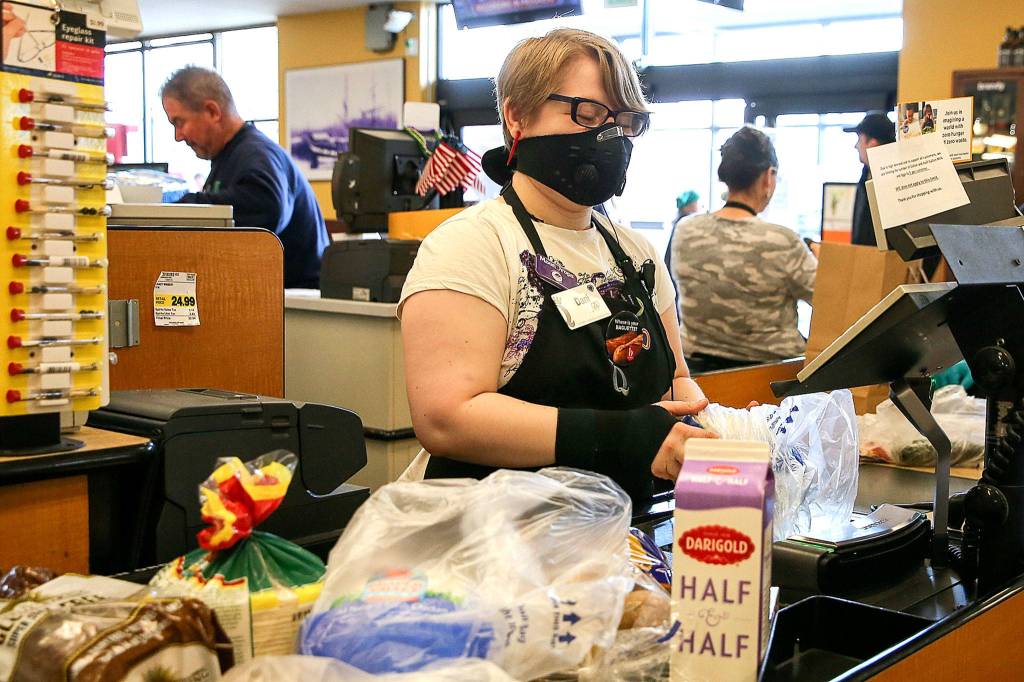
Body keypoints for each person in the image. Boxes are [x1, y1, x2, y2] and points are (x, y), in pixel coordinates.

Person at [399, 29, 713, 501]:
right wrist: (625, 437)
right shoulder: (471, 245)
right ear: (516, 115)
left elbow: (675, 382)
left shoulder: (637, 253)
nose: (610, 137)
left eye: (625, 121)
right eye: (587, 113)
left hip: (620, 529)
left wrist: (699, 423)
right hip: (492, 532)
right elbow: (447, 418)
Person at [160, 66, 328, 289]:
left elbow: (267, 207)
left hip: (297, 305)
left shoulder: (256, 154)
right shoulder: (229, 157)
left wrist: (181, 207)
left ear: (212, 111)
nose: (178, 136)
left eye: (180, 122)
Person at [670, 127, 817, 373]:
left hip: (698, 377)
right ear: (768, 177)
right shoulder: (782, 241)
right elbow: (828, 300)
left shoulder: (686, 230)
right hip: (771, 380)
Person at [845, 112, 896, 247]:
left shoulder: (895, 180)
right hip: (863, 258)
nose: (856, 146)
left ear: (872, 143)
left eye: (859, 140)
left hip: (886, 262)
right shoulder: (865, 175)